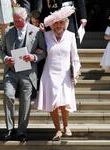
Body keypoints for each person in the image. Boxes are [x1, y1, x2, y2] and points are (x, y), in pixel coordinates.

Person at [0, 7, 46, 142]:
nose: (16, 23)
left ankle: (21, 131)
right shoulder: (8, 31)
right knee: (8, 95)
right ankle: (9, 129)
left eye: (18, 21)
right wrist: (6, 58)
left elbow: (43, 51)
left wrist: (33, 57)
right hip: (11, 71)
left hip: (28, 73)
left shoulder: (36, 32)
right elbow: (1, 50)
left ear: (25, 18)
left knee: (25, 102)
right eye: (14, 21)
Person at [37, 6, 81, 141]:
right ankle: (57, 129)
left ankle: (66, 126)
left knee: (64, 101)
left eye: (61, 22)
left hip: (65, 74)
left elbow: (75, 57)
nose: (58, 25)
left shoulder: (71, 36)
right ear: (52, 24)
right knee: (53, 103)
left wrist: (76, 71)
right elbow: (40, 49)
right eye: (55, 23)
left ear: (65, 23)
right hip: (49, 73)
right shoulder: (46, 35)